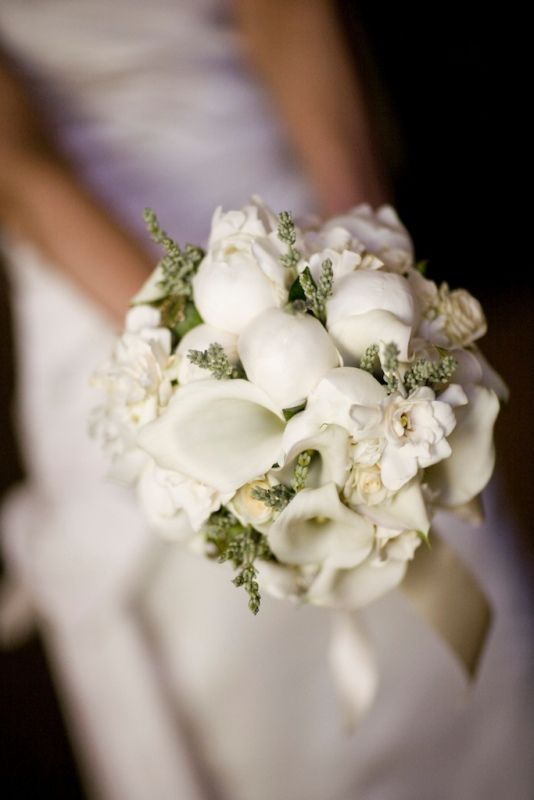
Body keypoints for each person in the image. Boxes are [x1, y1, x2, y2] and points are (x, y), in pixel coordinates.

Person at [0, 2, 533, 799]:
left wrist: (371, 268)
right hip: (102, 300)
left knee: (450, 671)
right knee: (252, 712)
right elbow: (17, 165)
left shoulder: (352, 267)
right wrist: (201, 366)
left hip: (289, 211)